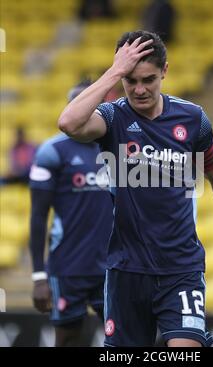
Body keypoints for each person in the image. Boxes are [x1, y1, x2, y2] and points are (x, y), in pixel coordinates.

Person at [58, 30, 213, 347]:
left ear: (165, 72)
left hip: (181, 269)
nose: (140, 90)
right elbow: (69, 123)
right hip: (126, 270)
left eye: (149, 80)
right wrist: (114, 71)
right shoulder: (112, 117)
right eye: (131, 80)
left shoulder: (193, 119)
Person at [29, 80, 113, 347]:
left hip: (113, 267)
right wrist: (38, 276)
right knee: (67, 339)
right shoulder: (52, 151)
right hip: (68, 267)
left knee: (123, 338)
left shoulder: (118, 147)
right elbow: (38, 216)